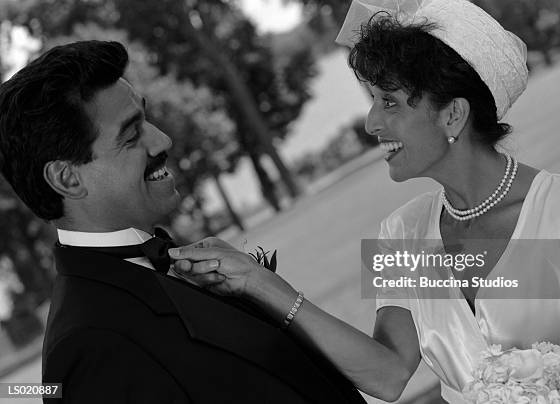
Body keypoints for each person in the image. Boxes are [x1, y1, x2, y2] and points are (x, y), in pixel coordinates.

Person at [168, 0, 560, 402]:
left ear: (452, 114)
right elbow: (389, 373)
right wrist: (259, 283)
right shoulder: (399, 235)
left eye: (390, 102)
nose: (370, 121)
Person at [0, 40, 366, 404]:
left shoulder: (176, 264)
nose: (163, 140)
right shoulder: (88, 347)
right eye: (131, 135)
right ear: (67, 179)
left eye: (147, 119)